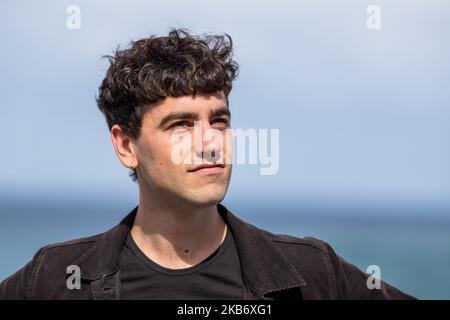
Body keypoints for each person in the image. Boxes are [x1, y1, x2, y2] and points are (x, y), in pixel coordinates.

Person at [0, 28, 415, 300]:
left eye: (219, 121)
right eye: (180, 125)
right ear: (126, 145)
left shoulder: (311, 275)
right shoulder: (55, 279)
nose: (209, 142)